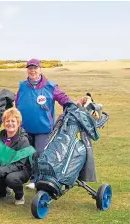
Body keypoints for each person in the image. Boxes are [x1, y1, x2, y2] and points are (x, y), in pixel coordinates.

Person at [15, 58, 85, 189]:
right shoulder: (22, 86)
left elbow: (63, 99)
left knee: (40, 153)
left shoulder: (50, 87)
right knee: (26, 153)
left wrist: (74, 104)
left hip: (43, 129)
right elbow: (17, 102)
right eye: (30, 68)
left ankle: (37, 179)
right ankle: (26, 177)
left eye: (35, 68)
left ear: (40, 69)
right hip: (24, 128)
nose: (32, 71)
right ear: (27, 70)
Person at [0, 108, 36, 205]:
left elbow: (18, 165)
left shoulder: (23, 140)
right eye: (7, 121)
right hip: (1, 171)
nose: (10, 123)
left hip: (20, 171)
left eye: (13, 121)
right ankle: (4, 190)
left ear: (18, 123)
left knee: (11, 178)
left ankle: (19, 195)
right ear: (4, 123)